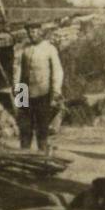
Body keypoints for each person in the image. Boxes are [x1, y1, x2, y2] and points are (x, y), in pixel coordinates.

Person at [15, 22, 64, 152]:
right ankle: (24, 153)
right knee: (24, 125)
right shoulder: (24, 49)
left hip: (43, 92)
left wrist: (56, 91)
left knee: (42, 125)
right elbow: (18, 69)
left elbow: (57, 71)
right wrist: (17, 90)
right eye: (30, 32)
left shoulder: (49, 49)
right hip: (23, 91)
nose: (33, 34)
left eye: (36, 31)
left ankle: (42, 153)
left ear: (41, 32)